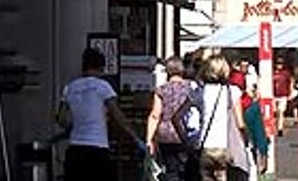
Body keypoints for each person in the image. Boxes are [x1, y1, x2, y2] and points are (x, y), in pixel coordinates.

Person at [58, 47, 141, 181]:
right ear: (101, 67)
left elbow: (61, 119)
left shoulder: (70, 87)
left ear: (83, 66)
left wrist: (75, 125)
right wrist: (135, 138)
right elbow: (118, 116)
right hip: (97, 149)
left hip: (75, 150)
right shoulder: (103, 87)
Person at [197, 54, 252, 181]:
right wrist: (246, 140)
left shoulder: (200, 91)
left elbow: (178, 116)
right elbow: (240, 123)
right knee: (223, 175)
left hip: (205, 146)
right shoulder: (232, 91)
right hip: (225, 145)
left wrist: (187, 140)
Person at [147, 55, 196, 181]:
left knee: (170, 169)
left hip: (165, 135)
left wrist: (149, 139)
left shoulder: (161, 90)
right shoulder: (192, 87)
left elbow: (155, 115)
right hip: (186, 134)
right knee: (189, 170)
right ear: (182, 69)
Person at [273, 58, 295, 136]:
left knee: (281, 111)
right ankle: (273, 127)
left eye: (281, 64)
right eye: (278, 63)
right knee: (274, 112)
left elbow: (291, 82)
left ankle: (280, 128)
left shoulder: (286, 73)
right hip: (273, 95)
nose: (279, 65)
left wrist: (291, 92)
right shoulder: (272, 73)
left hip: (283, 95)